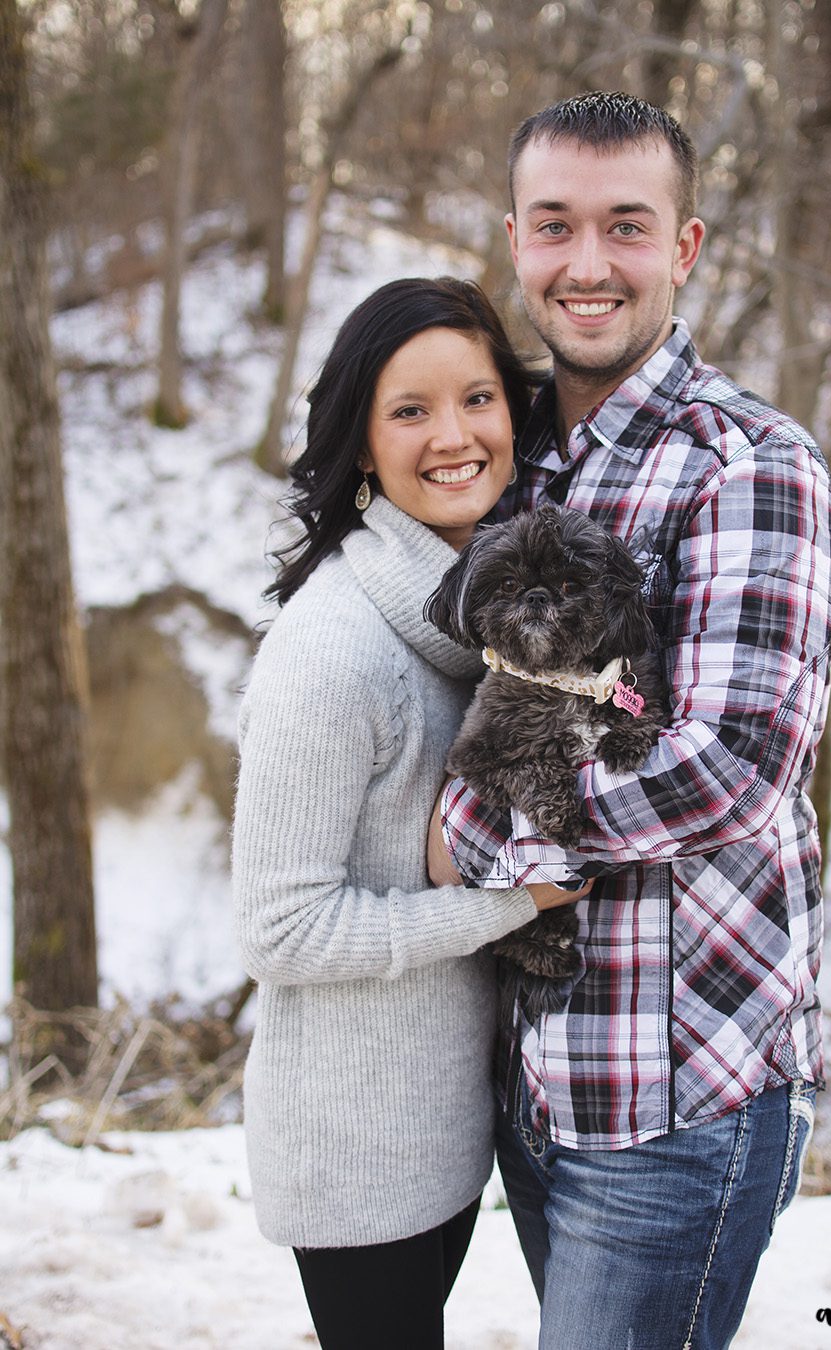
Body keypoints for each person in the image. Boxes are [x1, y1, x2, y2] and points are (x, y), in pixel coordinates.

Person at [429, 92, 831, 1349]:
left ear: (687, 247)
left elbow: (729, 769)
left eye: (628, 225)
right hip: (539, 1078)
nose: (589, 264)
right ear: (516, 241)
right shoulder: (512, 460)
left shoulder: (748, 463)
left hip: (680, 1096)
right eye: (556, 226)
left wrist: (494, 848)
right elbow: (477, 698)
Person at [231, 276, 583, 1350]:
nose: (454, 436)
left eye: (478, 399)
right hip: (353, 1143)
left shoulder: (470, 622)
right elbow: (281, 929)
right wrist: (510, 903)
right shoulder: (332, 654)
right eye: (410, 410)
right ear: (361, 441)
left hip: (441, 1127)